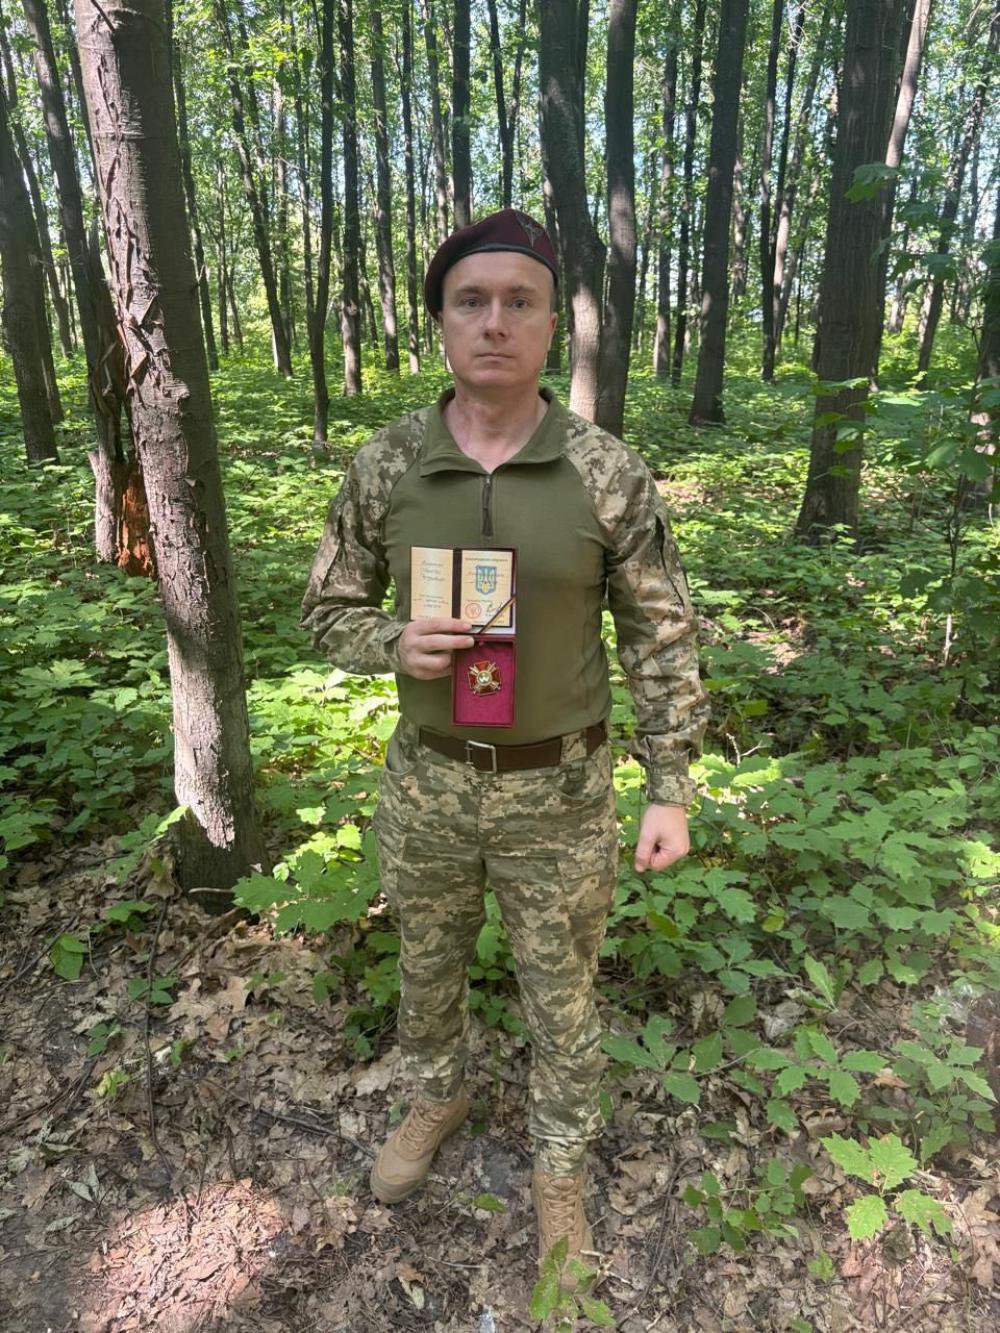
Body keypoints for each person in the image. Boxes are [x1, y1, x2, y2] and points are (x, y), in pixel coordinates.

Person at [301, 208, 708, 1276]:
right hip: (429, 782)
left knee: (561, 995)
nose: (494, 322)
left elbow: (661, 631)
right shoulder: (389, 463)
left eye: (519, 302)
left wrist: (669, 784)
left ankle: (559, 1171)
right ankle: (436, 1095)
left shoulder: (604, 470)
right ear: (440, 320)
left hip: (559, 792)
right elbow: (325, 609)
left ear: (551, 324)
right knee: (426, 967)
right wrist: (393, 641)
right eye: (470, 301)